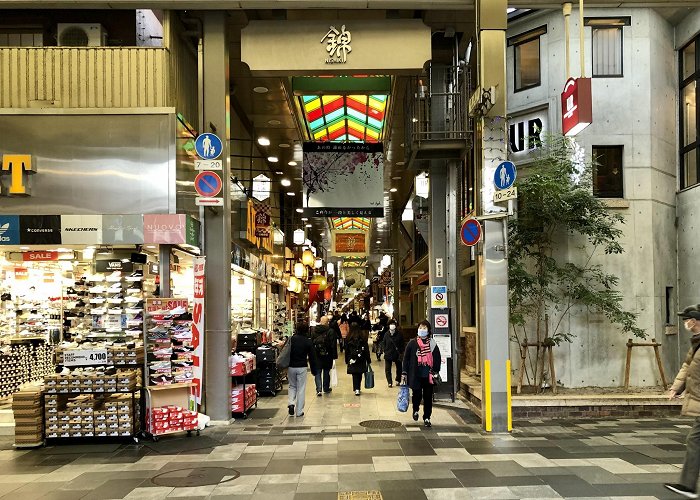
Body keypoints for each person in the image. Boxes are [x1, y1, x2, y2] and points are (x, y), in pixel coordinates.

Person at [665, 305, 700, 499]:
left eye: (686, 319)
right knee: (695, 440)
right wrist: (676, 387)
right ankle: (687, 485)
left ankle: (688, 486)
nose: (684, 323)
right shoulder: (697, 342)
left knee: (695, 440)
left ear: (694, 321)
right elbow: (688, 366)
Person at [401, 320, 441, 427]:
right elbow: (406, 359)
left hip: (428, 375)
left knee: (428, 397)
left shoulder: (432, 344)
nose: (422, 330)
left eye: (424, 328)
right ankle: (415, 410)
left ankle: (427, 417)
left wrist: (436, 371)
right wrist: (404, 372)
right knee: (417, 395)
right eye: (420, 328)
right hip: (416, 375)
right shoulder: (412, 343)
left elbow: (437, 358)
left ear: (428, 330)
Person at [287, 322, 318, 418]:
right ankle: (299, 411)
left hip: (291, 366)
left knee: (292, 386)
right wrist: (314, 370)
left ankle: (291, 403)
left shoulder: (291, 339)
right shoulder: (307, 341)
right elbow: (312, 357)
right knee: (301, 389)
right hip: (302, 367)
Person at [311, 315, 337, 396]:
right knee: (326, 371)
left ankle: (318, 389)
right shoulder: (330, 331)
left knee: (317, 372)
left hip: (316, 355)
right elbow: (333, 344)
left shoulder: (314, 330)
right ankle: (326, 388)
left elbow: (311, 343)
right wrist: (334, 356)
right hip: (327, 354)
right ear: (327, 322)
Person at [345, 322, 371, 396]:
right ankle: (358, 388)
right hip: (361, 358)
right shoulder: (362, 337)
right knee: (359, 373)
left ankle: (356, 388)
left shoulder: (348, 338)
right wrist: (368, 359)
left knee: (354, 374)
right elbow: (366, 349)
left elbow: (346, 350)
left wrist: (347, 359)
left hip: (352, 358)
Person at [383, 319, 405, 387]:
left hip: (397, 353)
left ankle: (398, 380)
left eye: (393, 324)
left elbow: (402, 343)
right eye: (391, 324)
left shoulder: (399, 334)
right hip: (388, 353)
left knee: (399, 368)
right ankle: (389, 382)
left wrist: (401, 351)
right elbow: (384, 343)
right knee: (387, 369)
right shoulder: (386, 334)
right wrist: (385, 351)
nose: (392, 325)